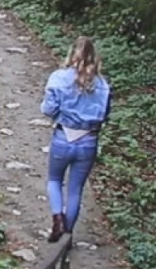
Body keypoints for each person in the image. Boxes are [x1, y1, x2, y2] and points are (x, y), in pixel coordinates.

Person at [40, 36, 111, 243]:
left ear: (72, 54)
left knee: (54, 180)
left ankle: (57, 220)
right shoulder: (103, 85)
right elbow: (105, 115)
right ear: (94, 57)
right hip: (88, 141)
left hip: (63, 137)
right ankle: (67, 236)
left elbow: (48, 109)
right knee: (75, 189)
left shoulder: (58, 77)